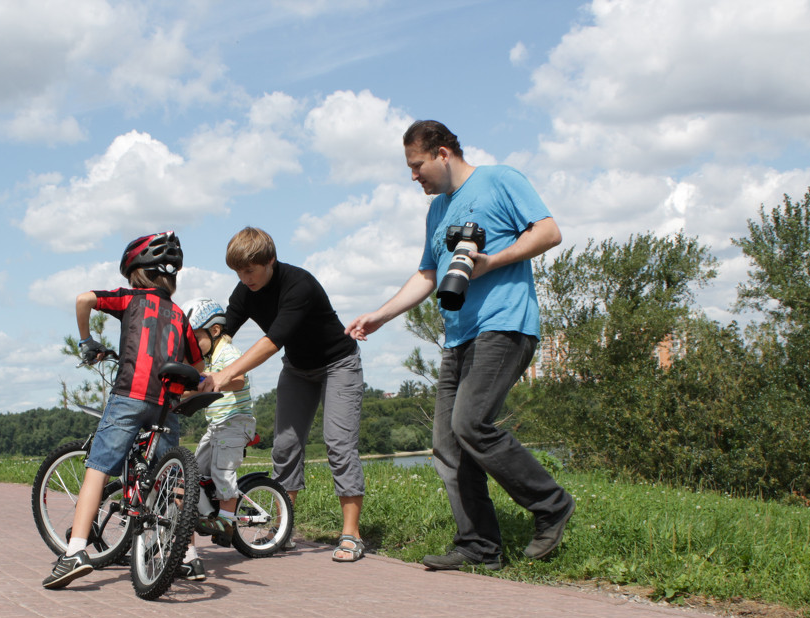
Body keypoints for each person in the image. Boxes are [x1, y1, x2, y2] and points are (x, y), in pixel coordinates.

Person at [345, 119, 575, 570]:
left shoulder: (500, 179)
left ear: (443, 152)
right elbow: (429, 275)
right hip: (458, 336)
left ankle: (551, 504)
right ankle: (479, 546)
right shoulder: (437, 211)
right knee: (448, 445)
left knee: (470, 424)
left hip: (505, 323)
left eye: (417, 166)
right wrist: (380, 315)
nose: (414, 176)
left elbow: (549, 232)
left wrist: (491, 262)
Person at [43, 231, 205, 590]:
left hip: (130, 395)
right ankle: (188, 556)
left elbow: (84, 298)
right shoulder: (179, 314)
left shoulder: (130, 300)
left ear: (136, 273)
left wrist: (86, 340)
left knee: (98, 467)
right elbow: (197, 361)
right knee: (169, 481)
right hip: (166, 406)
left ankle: (75, 552)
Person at [200, 227, 367, 563]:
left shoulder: (298, 285)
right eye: (238, 272)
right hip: (298, 369)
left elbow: (271, 342)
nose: (245, 278)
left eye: (250, 270)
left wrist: (226, 374)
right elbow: (223, 336)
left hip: (339, 363)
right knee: (286, 445)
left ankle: (351, 534)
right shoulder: (245, 290)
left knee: (338, 443)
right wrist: (200, 368)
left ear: (270, 261)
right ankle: (284, 530)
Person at [177, 297, 256, 581]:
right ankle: (208, 510)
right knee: (192, 472)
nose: (193, 347)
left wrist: (215, 376)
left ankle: (225, 522)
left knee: (223, 472)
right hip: (216, 426)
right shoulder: (208, 359)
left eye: (195, 338)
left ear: (213, 331)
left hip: (235, 423)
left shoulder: (227, 352)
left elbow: (239, 380)